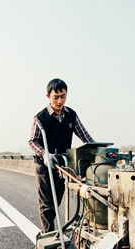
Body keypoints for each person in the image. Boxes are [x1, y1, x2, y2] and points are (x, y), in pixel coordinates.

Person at [28, 78, 95, 233]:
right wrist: (45, 154)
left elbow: (85, 136)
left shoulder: (71, 115)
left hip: (62, 164)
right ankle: (48, 235)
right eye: (55, 97)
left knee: (55, 201)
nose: (59, 101)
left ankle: (51, 231)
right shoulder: (40, 118)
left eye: (63, 96)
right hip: (44, 164)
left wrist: (96, 149)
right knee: (45, 202)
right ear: (48, 97)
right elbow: (32, 141)